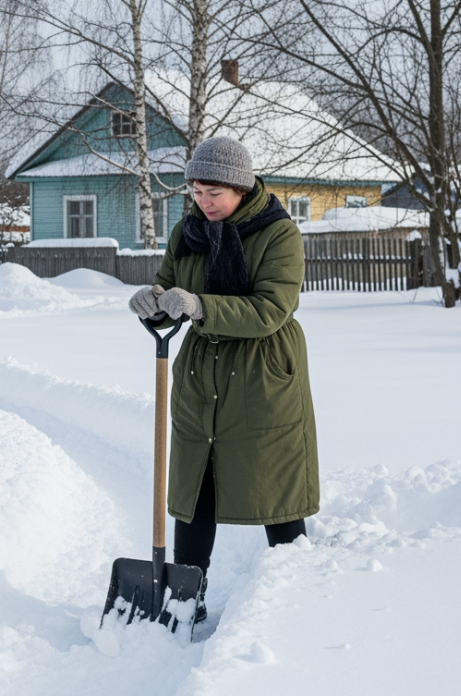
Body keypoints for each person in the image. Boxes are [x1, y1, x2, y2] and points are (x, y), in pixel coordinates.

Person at [127, 136, 318, 620]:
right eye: (195, 192)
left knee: (273, 482)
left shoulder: (278, 234)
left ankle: (296, 598)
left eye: (213, 192)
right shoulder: (187, 230)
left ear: (240, 186)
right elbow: (169, 285)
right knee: (195, 488)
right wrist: (153, 303)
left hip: (262, 371)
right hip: (201, 371)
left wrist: (200, 305)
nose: (203, 202)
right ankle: (182, 600)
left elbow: (272, 308)